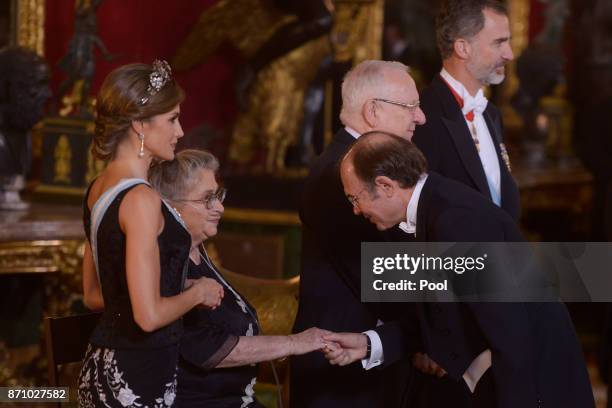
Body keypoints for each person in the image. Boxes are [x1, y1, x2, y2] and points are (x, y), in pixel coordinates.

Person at [324, 131, 595, 408]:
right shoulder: (433, 209)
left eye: (354, 198)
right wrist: (368, 344)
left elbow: (510, 329)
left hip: (537, 382)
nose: (356, 210)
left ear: (385, 185)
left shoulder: (456, 220)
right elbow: (439, 314)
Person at [77, 61, 224, 408]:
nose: (181, 131)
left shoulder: (97, 188)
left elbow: (96, 296)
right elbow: (147, 317)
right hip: (135, 377)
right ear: (140, 124)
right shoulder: (141, 199)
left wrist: (175, 286)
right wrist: (199, 291)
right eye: (172, 119)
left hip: (105, 370)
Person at [148, 149, 330, 408]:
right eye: (207, 199)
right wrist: (293, 343)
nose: (219, 207)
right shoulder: (169, 262)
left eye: (219, 196)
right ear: (170, 206)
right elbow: (206, 348)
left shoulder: (197, 251)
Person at [291, 59, 426, 408]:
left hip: (366, 368)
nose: (420, 117)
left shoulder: (354, 165)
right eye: (410, 106)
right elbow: (387, 276)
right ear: (373, 111)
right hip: (343, 380)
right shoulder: (339, 175)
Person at [412, 0, 520, 221]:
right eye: (499, 43)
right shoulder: (422, 116)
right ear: (463, 48)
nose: (509, 54)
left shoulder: (491, 113)